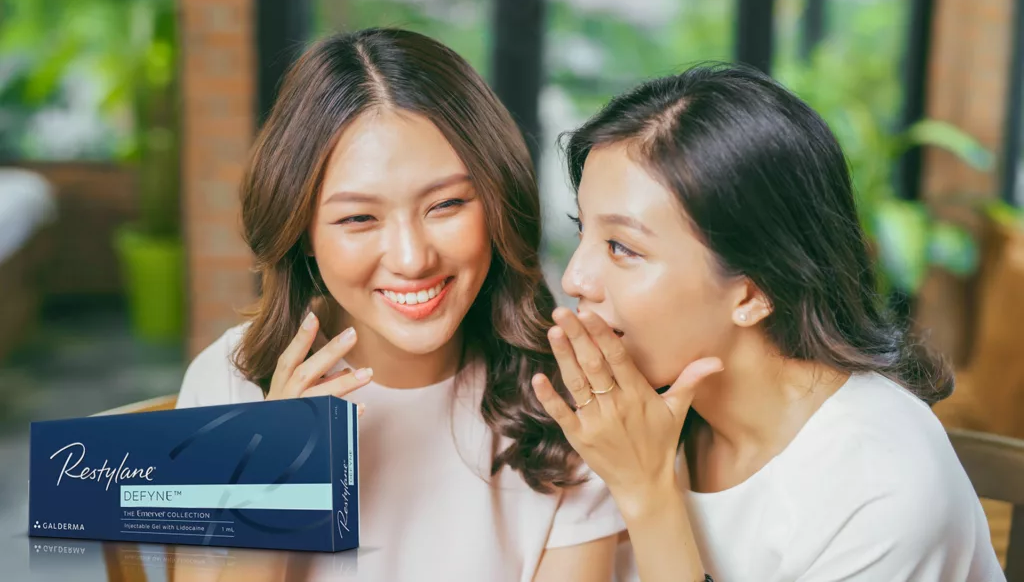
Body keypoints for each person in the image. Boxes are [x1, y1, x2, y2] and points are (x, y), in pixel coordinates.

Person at [175, 28, 625, 582]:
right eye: (359, 218)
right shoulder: (227, 387)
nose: (412, 259)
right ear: (301, 233)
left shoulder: (572, 401)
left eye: (447, 204)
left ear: (499, 202)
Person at [530, 64, 1004, 582]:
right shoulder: (630, 416)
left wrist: (647, 495)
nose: (576, 277)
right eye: (583, 230)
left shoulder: (879, 489)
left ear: (753, 294)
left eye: (622, 248)